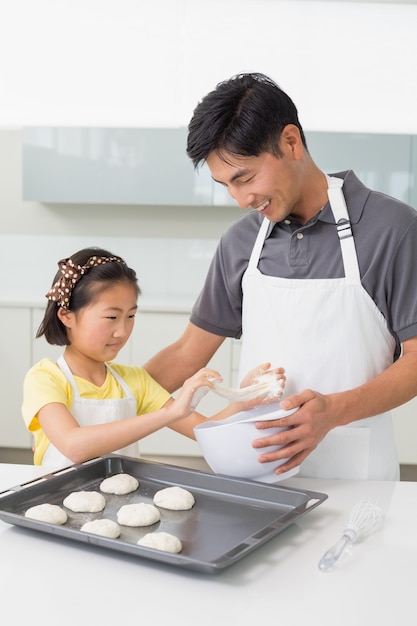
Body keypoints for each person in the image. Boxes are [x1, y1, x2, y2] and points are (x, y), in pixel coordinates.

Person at [144, 72, 417, 481]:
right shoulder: (241, 242)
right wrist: (108, 386)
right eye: (226, 186)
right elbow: (188, 354)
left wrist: (334, 411)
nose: (240, 200)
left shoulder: (392, 228)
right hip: (257, 473)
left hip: (357, 478)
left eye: (246, 178)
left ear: (291, 142)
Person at [22, 246, 284, 468]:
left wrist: (242, 400)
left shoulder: (135, 380)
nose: (122, 331)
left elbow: (204, 432)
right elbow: (73, 446)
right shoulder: (45, 378)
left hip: (118, 506)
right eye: (111, 317)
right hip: (57, 505)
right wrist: (170, 413)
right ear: (66, 316)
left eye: (131, 316)